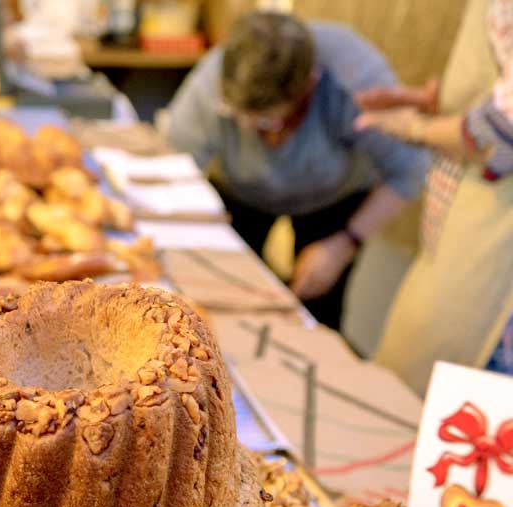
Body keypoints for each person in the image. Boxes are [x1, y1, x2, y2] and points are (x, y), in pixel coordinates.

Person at [164, 11, 430, 331]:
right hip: (238, 190)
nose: (249, 129)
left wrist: (345, 243)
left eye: (266, 121)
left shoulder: (356, 80)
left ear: (309, 86)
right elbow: (171, 167)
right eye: (238, 117)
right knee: (222, 295)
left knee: (317, 311)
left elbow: (409, 171)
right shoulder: (212, 80)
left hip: (333, 199)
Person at [355, 0, 513, 392]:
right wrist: (433, 102)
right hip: (464, 221)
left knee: (462, 404)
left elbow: (497, 136)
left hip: (495, 237)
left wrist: (412, 127)